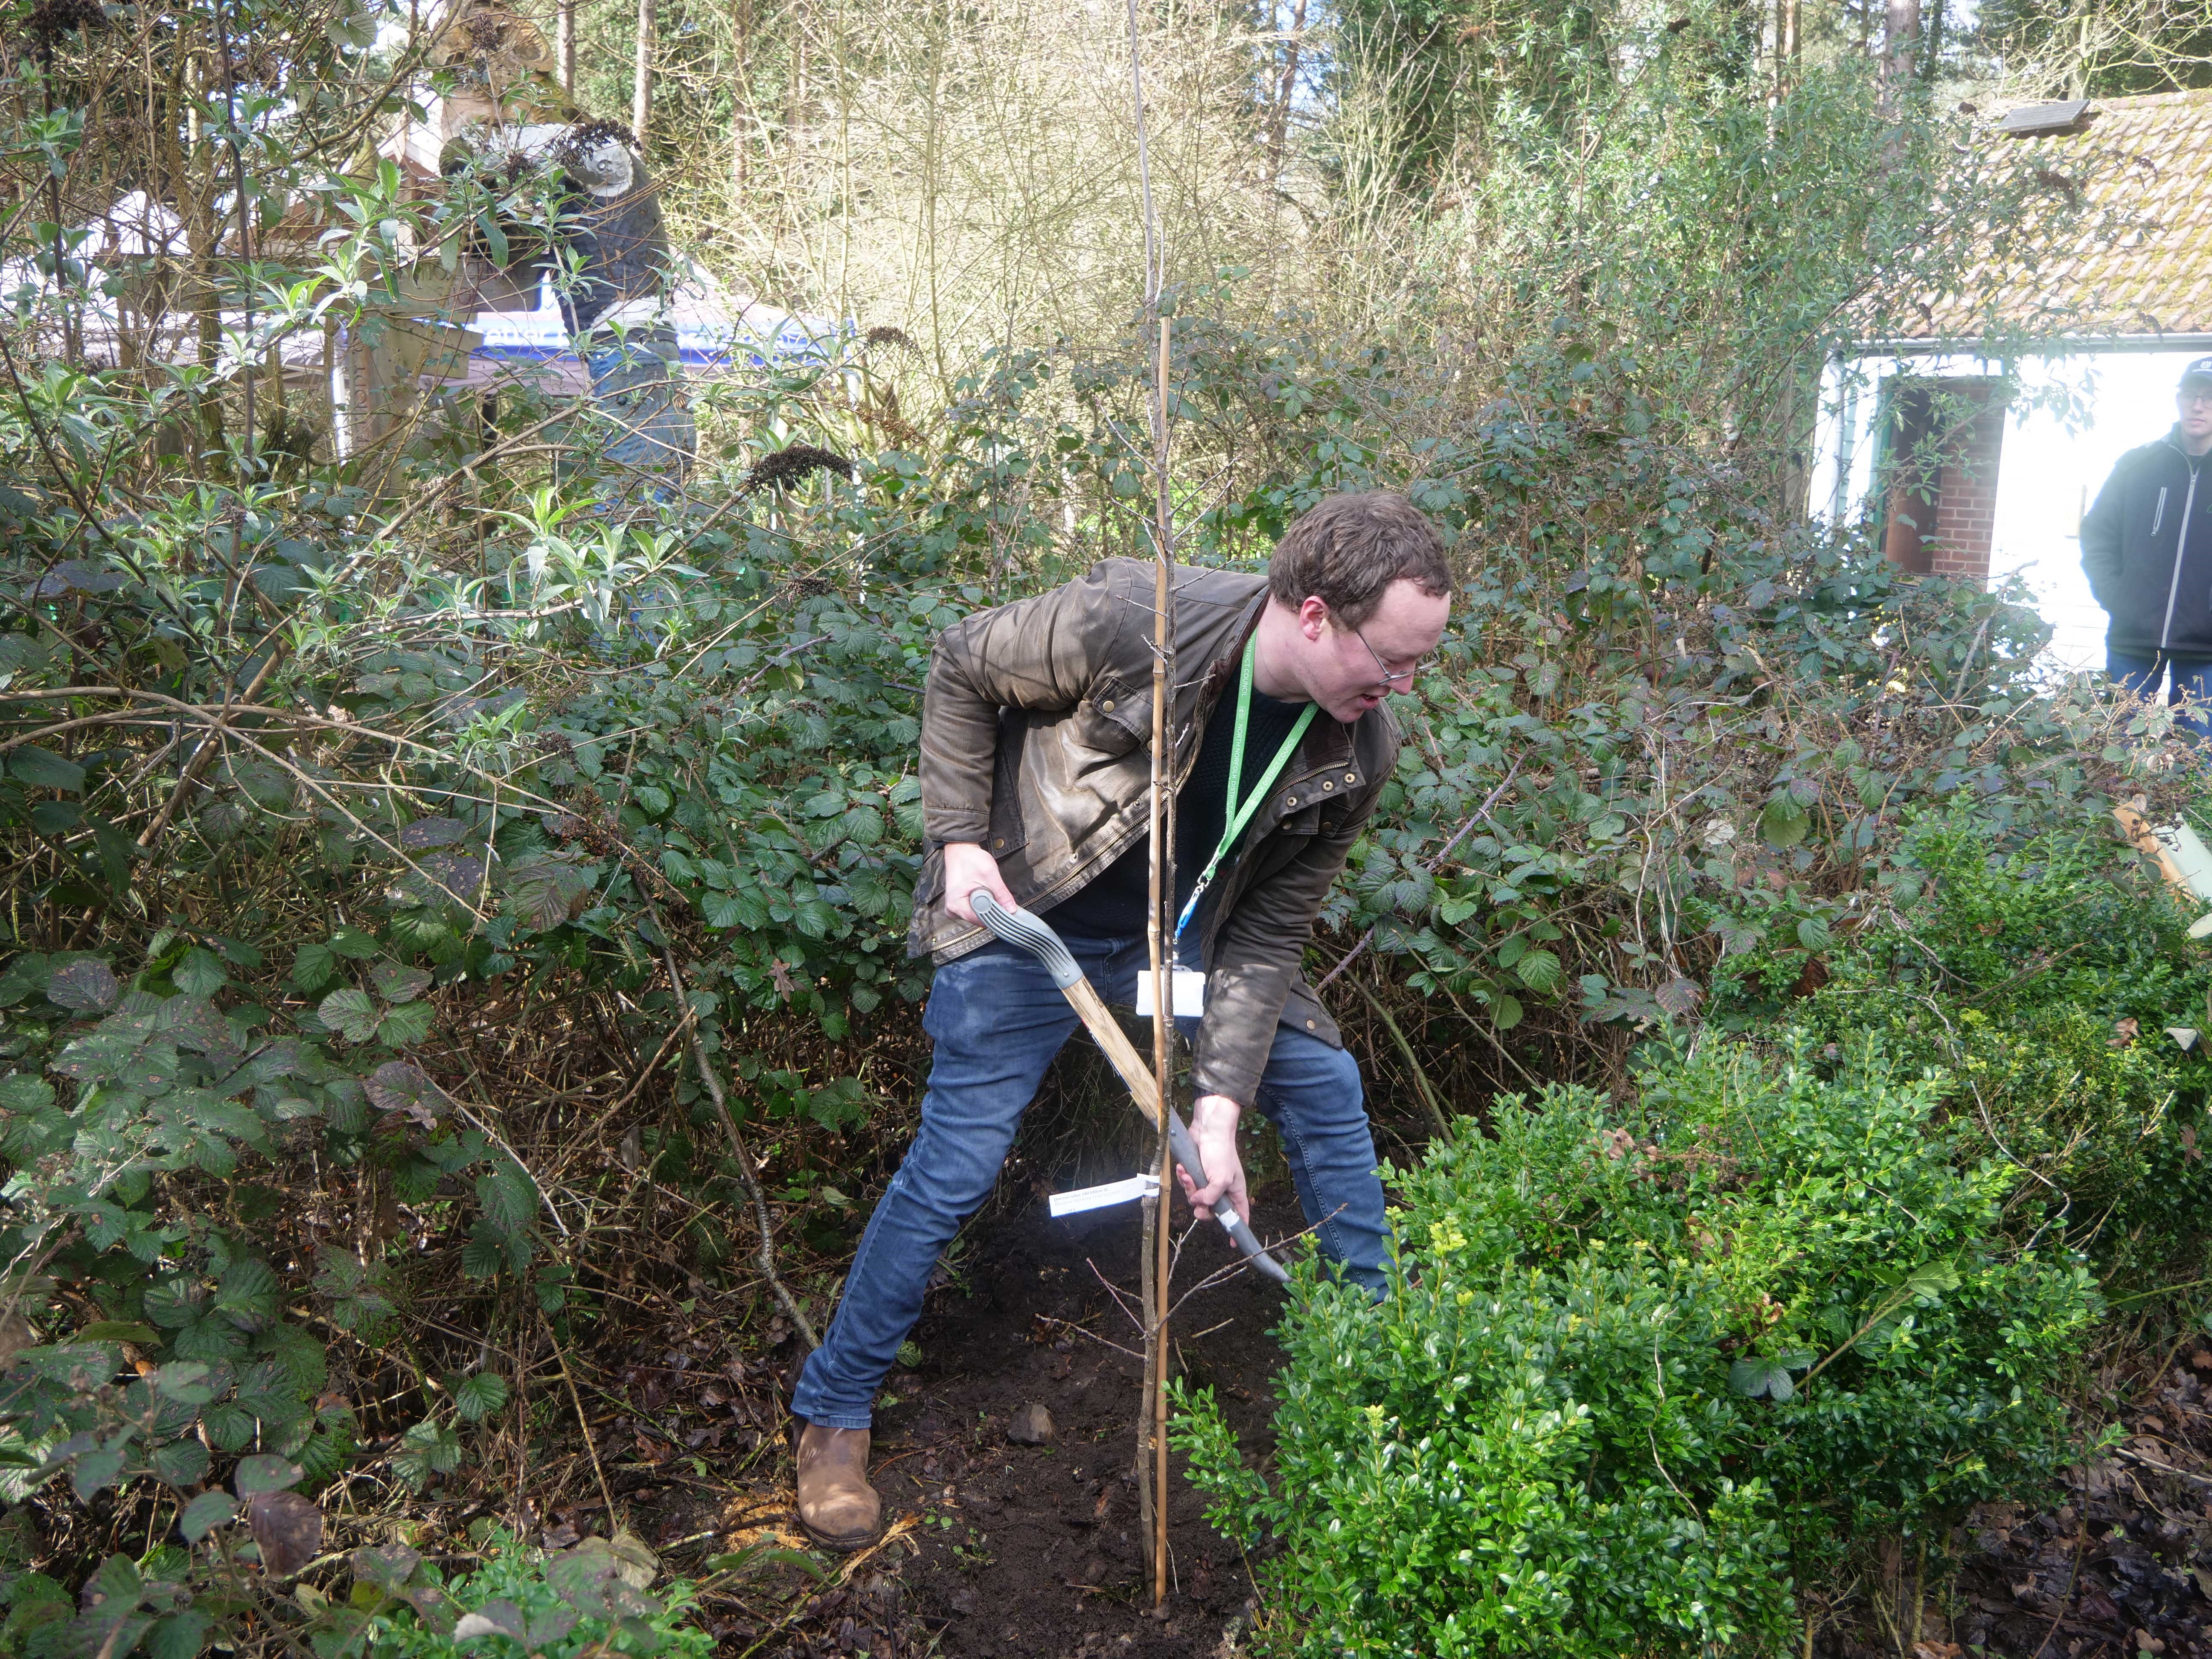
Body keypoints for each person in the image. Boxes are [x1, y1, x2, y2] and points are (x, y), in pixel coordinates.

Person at [787, 492, 1455, 1550]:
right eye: (1394, 658)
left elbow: (1269, 937)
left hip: (1188, 941)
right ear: (1318, 615)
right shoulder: (1132, 619)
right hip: (1029, 916)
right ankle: (834, 1411)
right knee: (957, 1161)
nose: (1403, 687)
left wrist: (1221, 1109)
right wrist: (962, 841)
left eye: (1423, 663)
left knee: (1325, 1086)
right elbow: (962, 661)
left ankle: (1379, 1375)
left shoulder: (1355, 749)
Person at [2081, 356, 2212, 731]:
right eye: (2190, 395)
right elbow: (2098, 534)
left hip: (2207, 648)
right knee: (2118, 752)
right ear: (2178, 400)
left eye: (2208, 396)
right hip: (2133, 638)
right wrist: (2118, 597)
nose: (2198, 405)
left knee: (2198, 761)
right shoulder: (2138, 466)